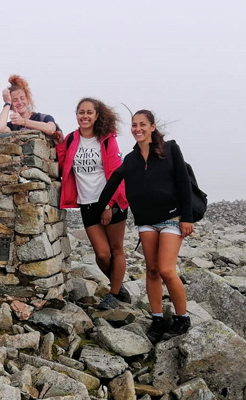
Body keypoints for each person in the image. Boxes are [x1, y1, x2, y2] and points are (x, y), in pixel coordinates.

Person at [98, 109, 194, 342]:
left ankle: (182, 318)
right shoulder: (131, 159)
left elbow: (183, 182)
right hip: (146, 221)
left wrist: (188, 217)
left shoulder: (170, 149)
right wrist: (104, 206)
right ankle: (157, 318)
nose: (137, 129)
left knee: (166, 270)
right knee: (151, 271)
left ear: (152, 127)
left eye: (142, 124)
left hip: (172, 218)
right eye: (134, 125)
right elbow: (113, 181)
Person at [55, 97, 130, 310]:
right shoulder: (72, 139)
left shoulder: (106, 139)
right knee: (102, 254)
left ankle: (113, 294)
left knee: (116, 249)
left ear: (97, 115)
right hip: (86, 203)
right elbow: (64, 166)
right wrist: (60, 145)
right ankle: (118, 286)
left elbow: (116, 173)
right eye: (81, 112)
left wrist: (108, 205)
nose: (85, 116)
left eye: (89, 112)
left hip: (111, 202)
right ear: (76, 115)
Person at [0, 75, 62, 140]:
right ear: (11, 106)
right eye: (14, 100)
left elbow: (51, 129)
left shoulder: (42, 118)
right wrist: (7, 103)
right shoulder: (12, 126)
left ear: (27, 99)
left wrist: (23, 121)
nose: (20, 102)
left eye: (22, 98)